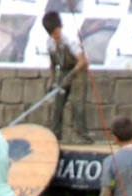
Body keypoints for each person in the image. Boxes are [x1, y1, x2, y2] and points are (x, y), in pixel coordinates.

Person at [42, 11, 93, 143]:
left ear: (60, 27)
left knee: (78, 104)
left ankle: (82, 136)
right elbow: (53, 63)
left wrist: (71, 76)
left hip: (78, 70)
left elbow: (83, 61)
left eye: (57, 32)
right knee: (57, 103)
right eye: (53, 34)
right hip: (63, 70)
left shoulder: (71, 40)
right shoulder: (50, 43)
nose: (56, 36)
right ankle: (55, 134)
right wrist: (52, 80)